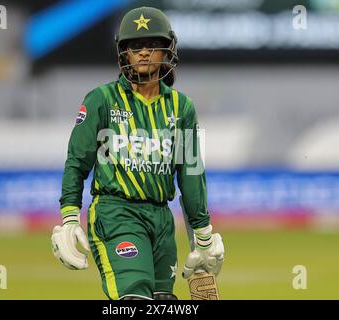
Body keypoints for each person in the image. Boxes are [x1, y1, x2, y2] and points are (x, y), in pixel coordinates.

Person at [51, 6, 224, 300]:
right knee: (134, 299)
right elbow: (77, 162)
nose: (144, 53)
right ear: (124, 53)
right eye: (136, 46)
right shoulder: (101, 100)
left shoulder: (182, 108)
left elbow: (191, 173)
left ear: (167, 50)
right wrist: (69, 217)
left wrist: (203, 234)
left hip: (161, 218)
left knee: (164, 301)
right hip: (116, 211)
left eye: (152, 45)